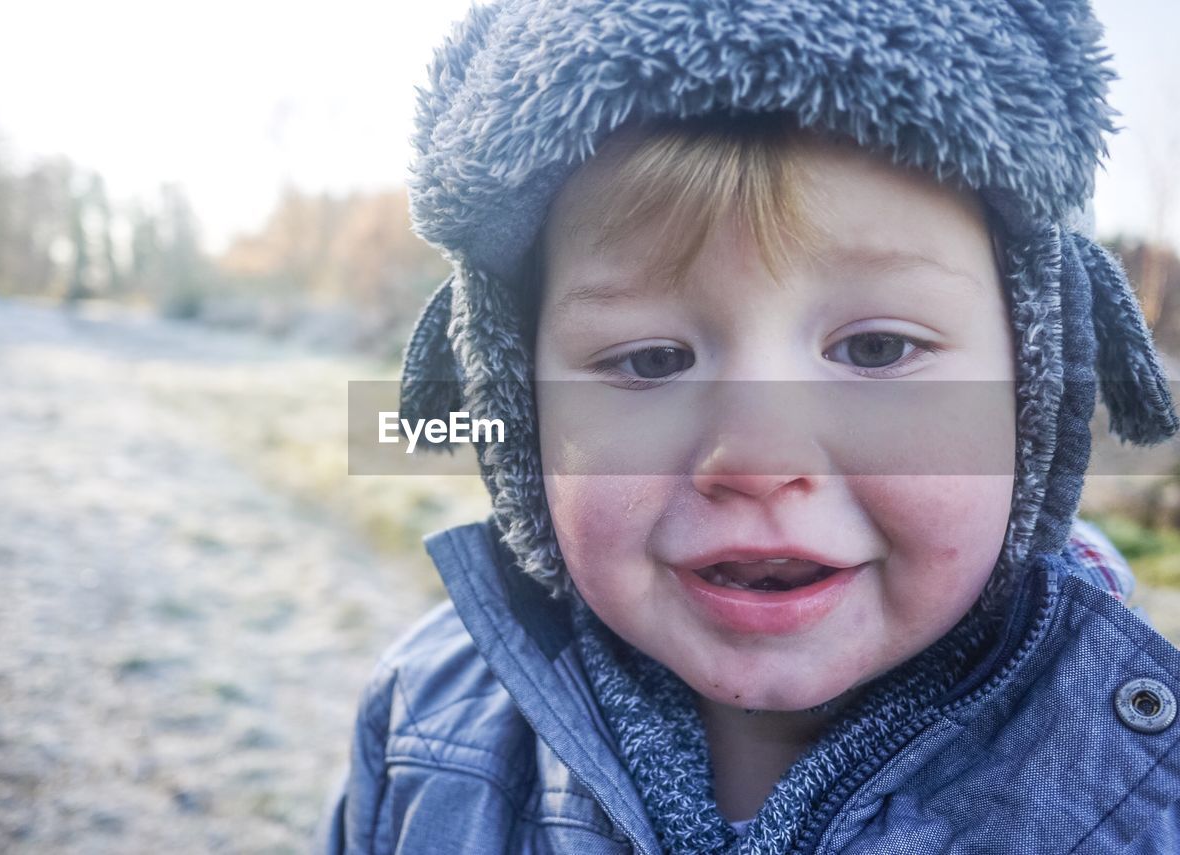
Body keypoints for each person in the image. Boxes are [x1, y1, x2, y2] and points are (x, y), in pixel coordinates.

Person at [323, 1, 1180, 852]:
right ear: (516, 408)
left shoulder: (1145, 797)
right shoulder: (424, 726)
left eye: (878, 349)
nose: (757, 458)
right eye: (651, 360)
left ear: (1036, 394)